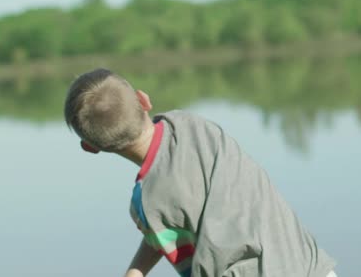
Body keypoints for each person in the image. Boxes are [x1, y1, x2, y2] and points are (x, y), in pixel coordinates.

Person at [64, 68, 337, 277]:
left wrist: (136, 270)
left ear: (90, 147)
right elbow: (175, 214)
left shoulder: (145, 205)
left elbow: (168, 234)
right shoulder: (192, 125)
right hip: (308, 266)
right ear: (143, 100)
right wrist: (138, 270)